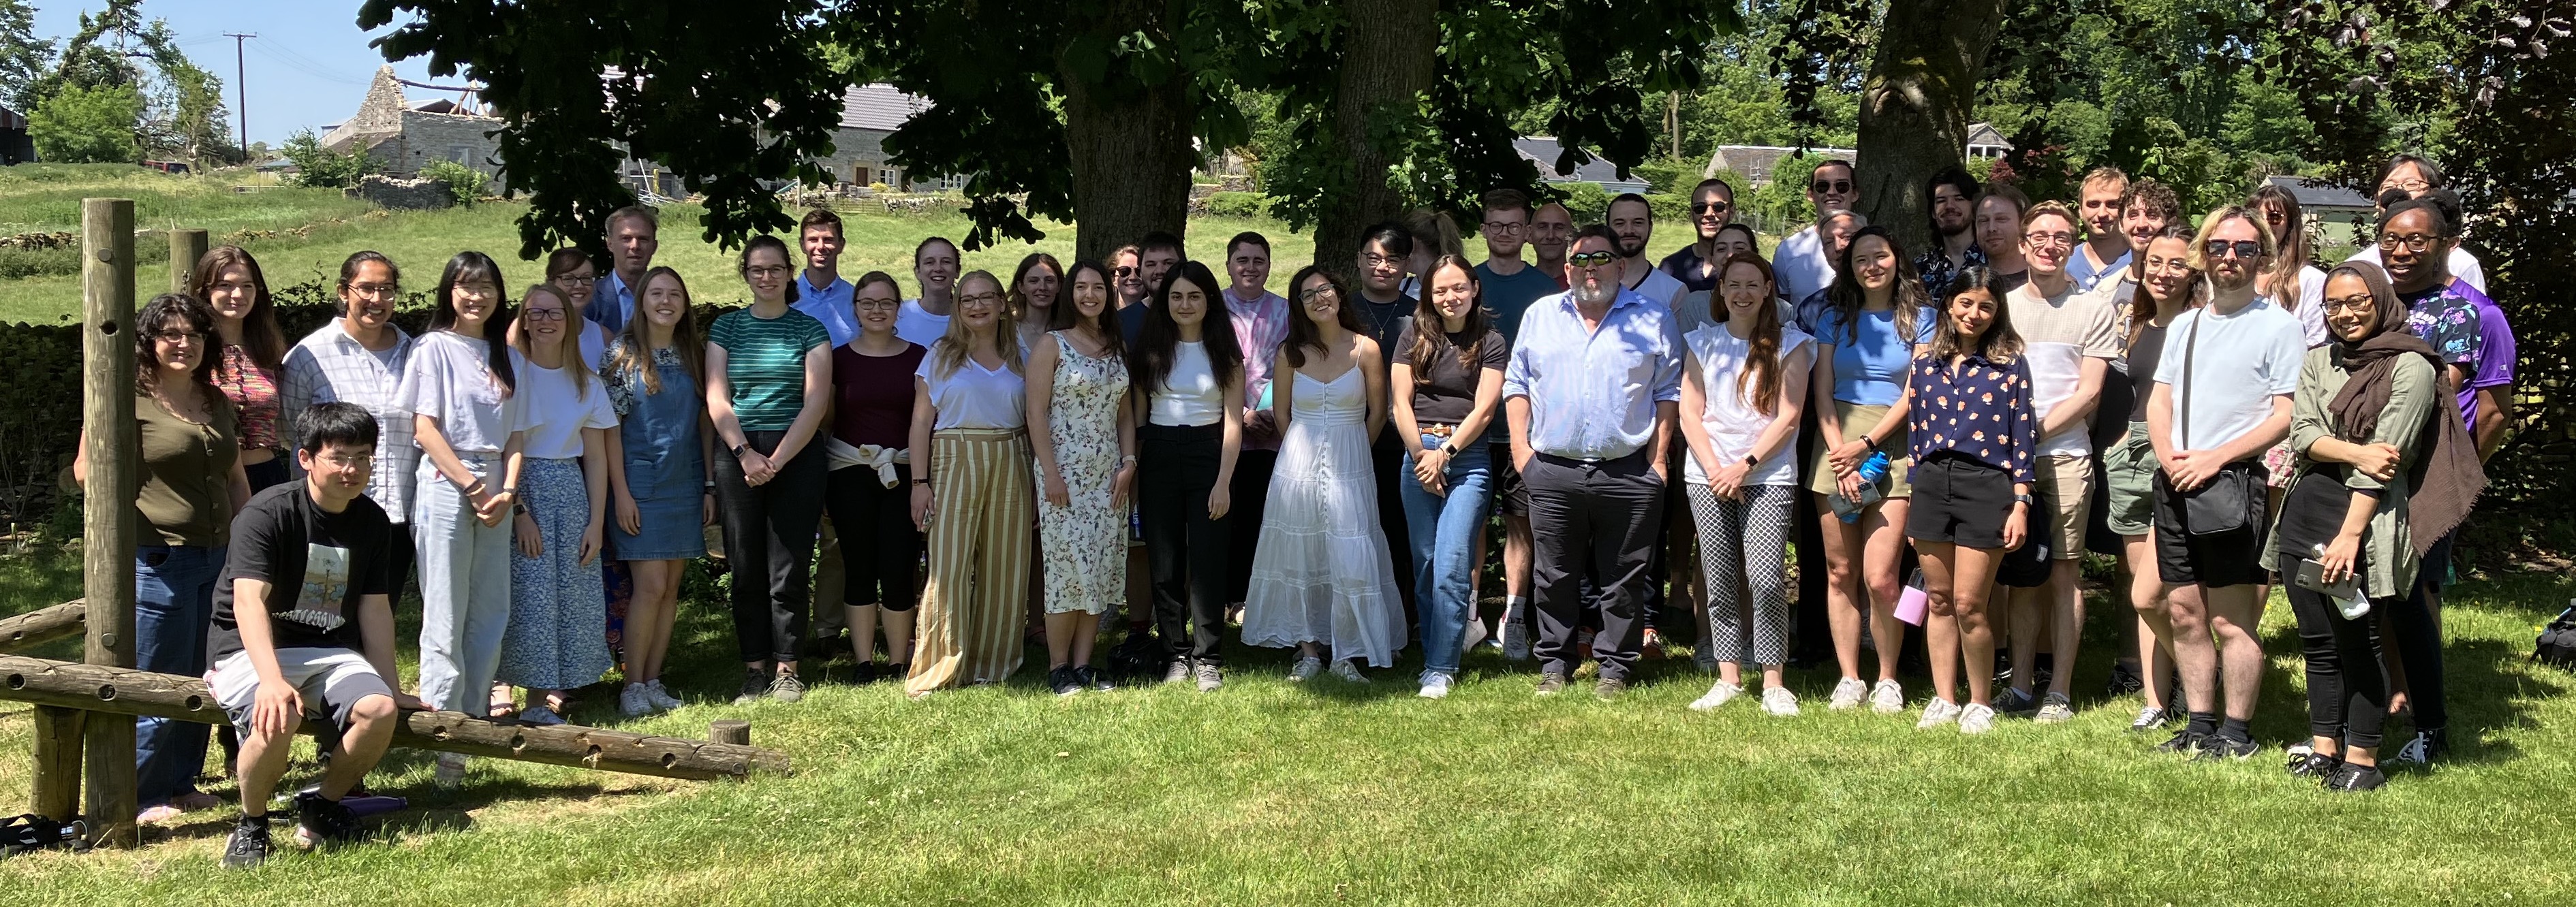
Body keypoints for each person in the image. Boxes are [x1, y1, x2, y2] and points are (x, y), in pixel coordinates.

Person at [2274, 260, 2485, 791]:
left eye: (2357, 301)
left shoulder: (2412, 367)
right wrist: (2354, 451)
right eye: (2334, 304)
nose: (2344, 314)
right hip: (2305, 510)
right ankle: (2324, 747)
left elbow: (2389, 456)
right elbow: (2302, 435)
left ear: (2380, 301)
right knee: (2317, 639)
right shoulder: (2319, 359)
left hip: (2365, 520)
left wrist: (2349, 535)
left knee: (2358, 639)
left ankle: (2362, 760)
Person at [207, 402, 421, 867]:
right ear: (305, 458)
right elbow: (248, 603)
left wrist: (392, 686)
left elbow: (375, 609)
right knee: (278, 714)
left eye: (363, 458)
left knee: (379, 709)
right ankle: (253, 823)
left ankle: (322, 804)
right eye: (339, 457)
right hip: (250, 647)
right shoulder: (267, 513)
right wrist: (271, 680)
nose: (352, 470)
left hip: (327, 648)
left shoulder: (372, 521)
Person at [72, 293, 248, 823]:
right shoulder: (125, 399)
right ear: (148, 342)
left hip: (219, 557)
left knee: (204, 675)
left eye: (194, 334)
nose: (183, 343)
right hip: (160, 559)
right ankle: (142, 792)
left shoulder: (214, 399)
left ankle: (181, 783)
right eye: (171, 334)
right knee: (157, 677)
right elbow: (85, 471)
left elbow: (234, 476)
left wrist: (247, 543)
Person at [2145, 206, 2308, 760]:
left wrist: (2213, 459)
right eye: (2218, 247)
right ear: (2203, 254)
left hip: (2234, 483)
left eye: (2243, 248)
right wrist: (2169, 458)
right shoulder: (2186, 325)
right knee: (2183, 612)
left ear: (2261, 256)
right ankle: (2198, 725)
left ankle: (2237, 734)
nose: (2229, 257)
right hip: (2175, 480)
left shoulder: (2278, 327)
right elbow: (2159, 400)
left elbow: (2287, 414)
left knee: (2230, 620)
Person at [1503, 225, 1681, 699]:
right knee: (1554, 575)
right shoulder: (1541, 316)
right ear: (1567, 269)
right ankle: (1554, 664)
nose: (1590, 268)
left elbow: (1668, 392)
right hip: (1552, 467)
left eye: (1601, 258)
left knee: (1624, 576)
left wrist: (1658, 460)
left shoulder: (1653, 318)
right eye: (1580, 260)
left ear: (1620, 267)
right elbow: (1516, 384)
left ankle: (1614, 668)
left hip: (1628, 469)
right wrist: (1522, 454)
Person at [2376, 192, 2511, 765]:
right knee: (2374, 586)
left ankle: (2424, 707)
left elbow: (2493, 410)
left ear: (2445, 245)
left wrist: (2458, 475)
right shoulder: (2367, 300)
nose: (2401, 250)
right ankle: (2388, 691)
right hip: (2364, 467)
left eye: (2416, 240)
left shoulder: (2469, 314)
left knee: (2416, 589)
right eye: (2390, 239)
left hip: (2428, 473)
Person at [393, 252, 525, 787]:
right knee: (446, 611)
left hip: (498, 485)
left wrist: (507, 490)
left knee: (491, 611)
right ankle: (441, 730)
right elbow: (425, 429)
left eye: (486, 286)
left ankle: (471, 728)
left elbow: (518, 434)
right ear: (449, 291)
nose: (476, 296)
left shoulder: (506, 353)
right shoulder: (433, 348)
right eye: (466, 286)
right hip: (449, 484)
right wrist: (472, 487)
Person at [1243, 264, 1406, 683]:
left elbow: (1378, 413)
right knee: (1302, 553)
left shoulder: (1366, 349)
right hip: (1297, 463)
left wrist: (1356, 451)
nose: (1319, 299)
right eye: (1308, 294)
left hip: (1352, 460)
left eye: (1325, 290)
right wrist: (1299, 450)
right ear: (1299, 306)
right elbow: (1281, 414)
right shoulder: (1290, 353)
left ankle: (1346, 653)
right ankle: (1309, 651)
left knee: (1349, 552)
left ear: (1338, 293)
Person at [1997, 200, 2122, 722]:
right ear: (2022, 244)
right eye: (2040, 237)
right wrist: (2011, 445)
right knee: (2023, 574)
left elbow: (2089, 392)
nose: (2050, 246)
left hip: (2066, 457)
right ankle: (2020, 686)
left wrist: (2030, 435)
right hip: (2007, 462)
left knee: (2064, 573)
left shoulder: (2092, 309)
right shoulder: (2000, 308)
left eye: (2061, 238)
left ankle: (2060, 691)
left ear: (2071, 247)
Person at [1899, 268, 2036, 734]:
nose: (1974, 314)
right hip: (1931, 484)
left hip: (1986, 485)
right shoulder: (1925, 364)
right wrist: (1916, 492)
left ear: (1997, 313)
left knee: (1969, 603)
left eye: (1985, 307)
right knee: (1937, 599)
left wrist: (2021, 502)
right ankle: (1944, 698)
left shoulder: (2010, 364)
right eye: (1966, 303)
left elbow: (2023, 436)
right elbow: (1915, 433)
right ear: (1948, 305)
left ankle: (1979, 702)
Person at [1677, 253, 1814, 716]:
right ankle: (1729, 677)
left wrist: (1745, 465)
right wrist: (1717, 469)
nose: (1742, 293)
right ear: (1721, 290)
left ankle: (1773, 682)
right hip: (1708, 476)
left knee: (1766, 578)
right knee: (1718, 578)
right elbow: (1689, 413)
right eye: (1733, 284)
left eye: (1752, 284)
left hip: (1768, 476)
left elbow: (1789, 416)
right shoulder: (1702, 341)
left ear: (1767, 289)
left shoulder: (1791, 344)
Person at [1808, 225, 1931, 714]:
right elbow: (1821, 391)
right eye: (1861, 259)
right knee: (1841, 572)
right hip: (1835, 444)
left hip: (1893, 443)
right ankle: (1849, 678)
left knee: (1881, 577)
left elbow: (1916, 391)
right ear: (1850, 268)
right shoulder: (1833, 319)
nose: (1871, 266)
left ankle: (1887, 678)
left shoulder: (1923, 319)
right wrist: (1840, 453)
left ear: (1896, 259)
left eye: (1879, 256)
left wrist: (1867, 444)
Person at [707, 236, 835, 705]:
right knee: (745, 565)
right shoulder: (726, 327)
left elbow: (815, 402)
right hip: (738, 450)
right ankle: (754, 669)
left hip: (795, 453)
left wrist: (776, 461)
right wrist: (745, 454)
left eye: (775, 269)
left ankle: (787, 668)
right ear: (745, 274)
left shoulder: (810, 330)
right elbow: (717, 396)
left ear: (789, 273)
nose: (766, 277)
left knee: (789, 565)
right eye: (757, 270)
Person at [902, 270, 1035, 697]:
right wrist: (919, 482)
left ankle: (992, 664)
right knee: (949, 565)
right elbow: (920, 423)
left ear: (1001, 304)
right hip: (954, 456)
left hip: (1012, 455)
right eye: (967, 300)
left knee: (1006, 564)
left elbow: (1036, 419)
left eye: (985, 297)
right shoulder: (940, 355)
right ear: (958, 308)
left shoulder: (1022, 355)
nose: (977, 306)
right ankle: (938, 666)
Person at [495, 283, 618, 725]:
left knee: (561, 597)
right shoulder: (510, 375)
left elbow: (597, 457)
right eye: (535, 313)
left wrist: (596, 523)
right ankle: (499, 685)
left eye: (554, 313)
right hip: (517, 485)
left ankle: (539, 699)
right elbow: (503, 447)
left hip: (568, 490)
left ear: (569, 321)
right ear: (523, 321)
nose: (545, 321)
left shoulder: (587, 382)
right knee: (522, 594)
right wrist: (519, 511)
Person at [1391, 257, 1505, 697]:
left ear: (1474, 288)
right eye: (1440, 291)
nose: (1450, 297)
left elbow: (1485, 409)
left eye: (1458, 288)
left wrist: (1445, 454)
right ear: (1429, 296)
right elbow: (1400, 403)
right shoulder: (1412, 336)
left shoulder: (1491, 341)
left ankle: (1441, 666)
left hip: (1467, 458)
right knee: (1425, 565)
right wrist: (1422, 456)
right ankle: (1434, 650)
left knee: (1452, 563)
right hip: (1418, 452)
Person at [602, 266, 712, 716]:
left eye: (674, 295)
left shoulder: (695, 354)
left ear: (684, 305)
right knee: (650, 586)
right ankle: (631, 685)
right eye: (657, 294)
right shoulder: (622, 353)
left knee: (670, 590)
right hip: (640, 486)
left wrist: (709, 484)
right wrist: (621, 493)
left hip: (685, 482)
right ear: (642, 302)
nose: (666, 302)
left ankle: (653, 680)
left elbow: (705, 422)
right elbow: (609, 429)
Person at [279, 253, 419, 605]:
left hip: (396, 516)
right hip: (332, 514)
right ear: (344, 292)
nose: (377, 299)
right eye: (366, 289)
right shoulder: (309, 355)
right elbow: (289, 430)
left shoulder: (415, 355)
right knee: (323, 612)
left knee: (380, 612)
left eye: (386, 289)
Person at [1132, 261, 1245, 690]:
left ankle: (1208, 657)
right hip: (1160, 452)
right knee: (1164, 561)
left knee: (1208, 561)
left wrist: (1223, 481)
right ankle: (1175, 655)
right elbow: (1139, 417)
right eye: (1176, 296)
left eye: (1194, 296)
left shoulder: (1224, 352)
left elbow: (1233, 422)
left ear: (1209, 300)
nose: (1184, 304)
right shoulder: (1150, 349)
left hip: (1208, 454)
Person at [2107, 225, 2201, 731]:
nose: (2163, 273)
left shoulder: (2201, 325)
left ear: (2194, 271)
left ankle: (2199, 670)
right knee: (2142, 596)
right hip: (2131, 456)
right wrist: (2123, 441)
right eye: (2155, 263)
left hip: (2175, 457)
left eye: (2177, 263)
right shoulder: (2139, 324)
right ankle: (2156, 700)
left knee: (2156, 591)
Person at [1027, 260, 1133, 695]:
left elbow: (1125, 413)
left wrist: (1130, 463)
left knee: (1100, 566)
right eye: (1082, 288)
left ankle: (1084, 663)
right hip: (1065, 475)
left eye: (1098, 288)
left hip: (1109, 476)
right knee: (1066, 569)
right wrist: (1051, 473)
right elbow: (1035, 413)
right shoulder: (1052, 344)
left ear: (1109, 294)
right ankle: (1058, 667)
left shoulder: (1115, 345)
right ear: (1070, 294)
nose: (1090, 295)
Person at [820, 271, 925, 684]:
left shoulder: (920, 358)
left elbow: (926, 422)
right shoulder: (838, 359)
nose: (877, 310)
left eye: (886, 303)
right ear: (855, 308)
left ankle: (898, 661)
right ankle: (864, 661)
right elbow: (827, 419)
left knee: (899, 565)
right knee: (858, 565)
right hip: (849, 473)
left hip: (904, 474)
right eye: (867, 303)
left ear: (898, 309)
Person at [1475, 189, 1560, 657]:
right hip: (1471, 428)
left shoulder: (1546, 290)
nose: (1504, 233)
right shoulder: (1466, 283)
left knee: (1520, 524)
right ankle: (1469, 617)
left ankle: (1514, 618)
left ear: (1526, 232)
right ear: (1484, 230)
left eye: (1513, 226)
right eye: (1496, 225)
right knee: (1469, 525)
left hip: (1525, 433)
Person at [1221, 233, 1292, 621]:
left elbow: (1294, 365)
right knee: (1226, 513)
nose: (1250, 268)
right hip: (1224, 427)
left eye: (1258, 260)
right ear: (1229, 265)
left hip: (1273, 430)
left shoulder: (1286, 311)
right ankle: (1227, 593)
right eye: (1242, 260)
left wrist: (1269, 414)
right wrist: (1242, 413)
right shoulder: (1212, 308)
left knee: (1261, 514)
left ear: (1269, 265)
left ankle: (1256, 594)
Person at [1353, 223, 1420, 613]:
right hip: (1350, 438)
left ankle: (1399, 617)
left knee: (1399, 532)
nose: (1382, 267)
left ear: (1407, 264)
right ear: (1359, 260)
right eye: (1374, 258)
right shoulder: (1340, 311)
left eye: (1393, 259)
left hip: (1405, 444)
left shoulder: (1421, 315)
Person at [193, 246, 292, 492]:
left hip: (267, 476)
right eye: (225, 285)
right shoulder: (192, 351)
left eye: (247, 286)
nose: (238, 295)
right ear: (205, 290)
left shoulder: (268, 351)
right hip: (213, 479)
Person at [2345, 155, 2487, 293]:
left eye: (2412, 184)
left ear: (2433, 193)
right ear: (2378, 200)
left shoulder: (2462, 263)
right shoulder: (2357, 267)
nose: (2400, 191)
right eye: (2389, 186)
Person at [2251, 185, 2329, 348]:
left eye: (2274, 217)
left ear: (2290, 224)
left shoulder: (2312, 280)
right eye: (2256, 217)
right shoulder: (2233, 272)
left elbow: (2314, 344)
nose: (2264, 224)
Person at [1775, 159, 1859, 306]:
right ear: (1810, 195)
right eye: (1822, 187)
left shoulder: (1875, 247)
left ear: (1855, 194)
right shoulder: (1788, 250)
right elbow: (1782, 309)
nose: (1832, 192)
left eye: (1842, 186)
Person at [1916, 167, 1987, 306]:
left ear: (1974, 208)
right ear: (1933, 212)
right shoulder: (1919, 268)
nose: (1949, 206)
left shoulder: (1991, 261)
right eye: (1941, 200)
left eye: (1959, 199)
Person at [1790, 210, 1869, 332]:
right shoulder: (1812, 309)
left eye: (1847, 237)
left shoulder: (1898, 299)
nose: (1838, 247)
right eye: (1829, 242)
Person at [586, 205, 660, 334]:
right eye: (626, 239)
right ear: (610, 244)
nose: (635, 246)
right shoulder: (590, 298)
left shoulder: (667, 297)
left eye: (643, 239)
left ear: (654, 246)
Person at [536, 247, 615, 369]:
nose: (579, 285)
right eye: (569, 279)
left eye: (586, 278)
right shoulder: (530, 330)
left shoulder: (603, 337)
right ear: (550, 283)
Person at [1608, 193, 1689, 310]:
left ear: (1650, 228)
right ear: (1608, 229)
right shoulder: (1593, 284)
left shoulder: (1674, 291)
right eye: (1620, 224)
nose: (1629, 230)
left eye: (1638, 223)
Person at [792, 209, 860, 347]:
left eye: (828, 240)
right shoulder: (786, 299)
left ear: (841, 245)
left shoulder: (857, 301)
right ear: (802, 245)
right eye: (813, 240)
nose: (821, 247)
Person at [1660, 178, 1739, 293]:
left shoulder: (1755, 267)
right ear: (1692, 213)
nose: (1709, 214)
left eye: (1718, 207)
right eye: (1700, 208)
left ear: (1732, 212)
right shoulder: (1671, 268)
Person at [2066, 165, 2134, 292]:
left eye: (2112, 204)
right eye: (2093, 204)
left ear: (2126, 209)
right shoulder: (2064, 264)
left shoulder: (2140, 264)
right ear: (2080, 210)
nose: (2102, 214)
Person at [1116, 232, 1186, 343]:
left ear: (1183, 267)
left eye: (1168, 263)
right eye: (1151, 264)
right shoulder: (1121, 322)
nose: (1159, 271)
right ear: (1140, 271)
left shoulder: (1199, 317)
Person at [896, 236, 961, 347]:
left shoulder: (969, 319)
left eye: (946, 262)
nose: (938, 268)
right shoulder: (898, 315)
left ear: (957, 271)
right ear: (918, 272)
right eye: (930, 262)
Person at [1974, 184, 2032, 293]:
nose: (1991, 228)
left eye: (2001, 219)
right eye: (1984, 220)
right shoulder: (1970, 286)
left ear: (2023, 224)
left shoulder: (2042, 284)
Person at [1009, 251, 1065, 351]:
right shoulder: (1007, 332)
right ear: (1021, 287)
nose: (1042, 287)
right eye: (1034, 281)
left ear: (1059, 286)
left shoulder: (1070, 331)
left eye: (1049, 280)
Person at [1529, 201, 1575, 289]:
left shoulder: (1582, 283)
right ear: (1529, 234)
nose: (1550, 236)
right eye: (1543, 227)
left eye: (1559, 228)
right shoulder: (1518, 284)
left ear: (1572, 234)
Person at [1111, 244, 1149, 312]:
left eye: (1139, 271)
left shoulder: (1159, 313)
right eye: (1124, 271)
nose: (1133, 277)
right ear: (1113, 279)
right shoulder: (1102, 314)